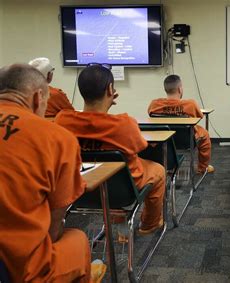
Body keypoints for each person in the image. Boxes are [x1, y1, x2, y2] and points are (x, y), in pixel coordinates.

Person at [0, 64, 90, 282]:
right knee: (78, 239)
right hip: (17, 268)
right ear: (38, 98)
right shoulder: (57, 138)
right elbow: (55, 221)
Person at [55, 65, 166, 235]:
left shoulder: (62, 120)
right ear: (110, 89)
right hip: (122, 191)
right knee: (158, 170)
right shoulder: (124, 124)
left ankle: (118, 222)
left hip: (77, 187)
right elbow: (141, 146)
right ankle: (149, 225)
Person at [148, 74, 214, 174]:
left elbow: (150, 114)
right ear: (180, 89)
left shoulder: (155, 104)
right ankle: (202, 168)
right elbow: (199, 116)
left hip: (164, 140)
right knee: (204, 134)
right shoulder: (190, 104)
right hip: (186, 140)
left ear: (166, 89)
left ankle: (161, 166)